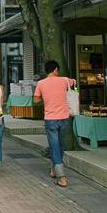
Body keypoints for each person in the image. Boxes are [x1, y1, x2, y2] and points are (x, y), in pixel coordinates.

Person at [33, 60, 76, 188]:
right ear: (56, 69)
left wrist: (46, 96)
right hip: (64, 118)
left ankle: (61, 176)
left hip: (50, 119)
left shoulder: (41, 83)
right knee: (61, 146)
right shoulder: (65, 80)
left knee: (54, 146)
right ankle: (55, 169)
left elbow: (36, 100)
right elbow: (74, 83)